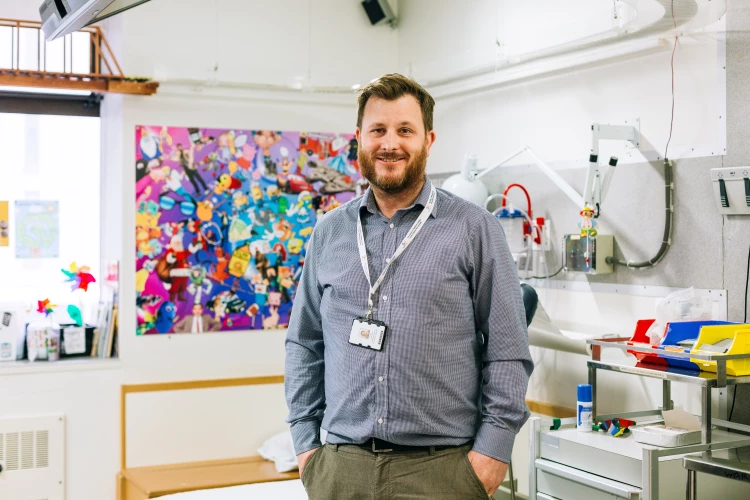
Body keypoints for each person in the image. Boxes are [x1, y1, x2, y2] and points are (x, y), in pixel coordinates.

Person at [285, 73, 533, 499]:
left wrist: (492, 453)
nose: (389, 143)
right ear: (358, 138)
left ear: (428, 140)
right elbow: (304, 344)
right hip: (342, 470)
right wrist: (307, 445)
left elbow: (508, 350)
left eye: (405, 130)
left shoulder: (475, 230)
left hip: (442, 471)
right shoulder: (329, 234)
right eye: (377, 130)